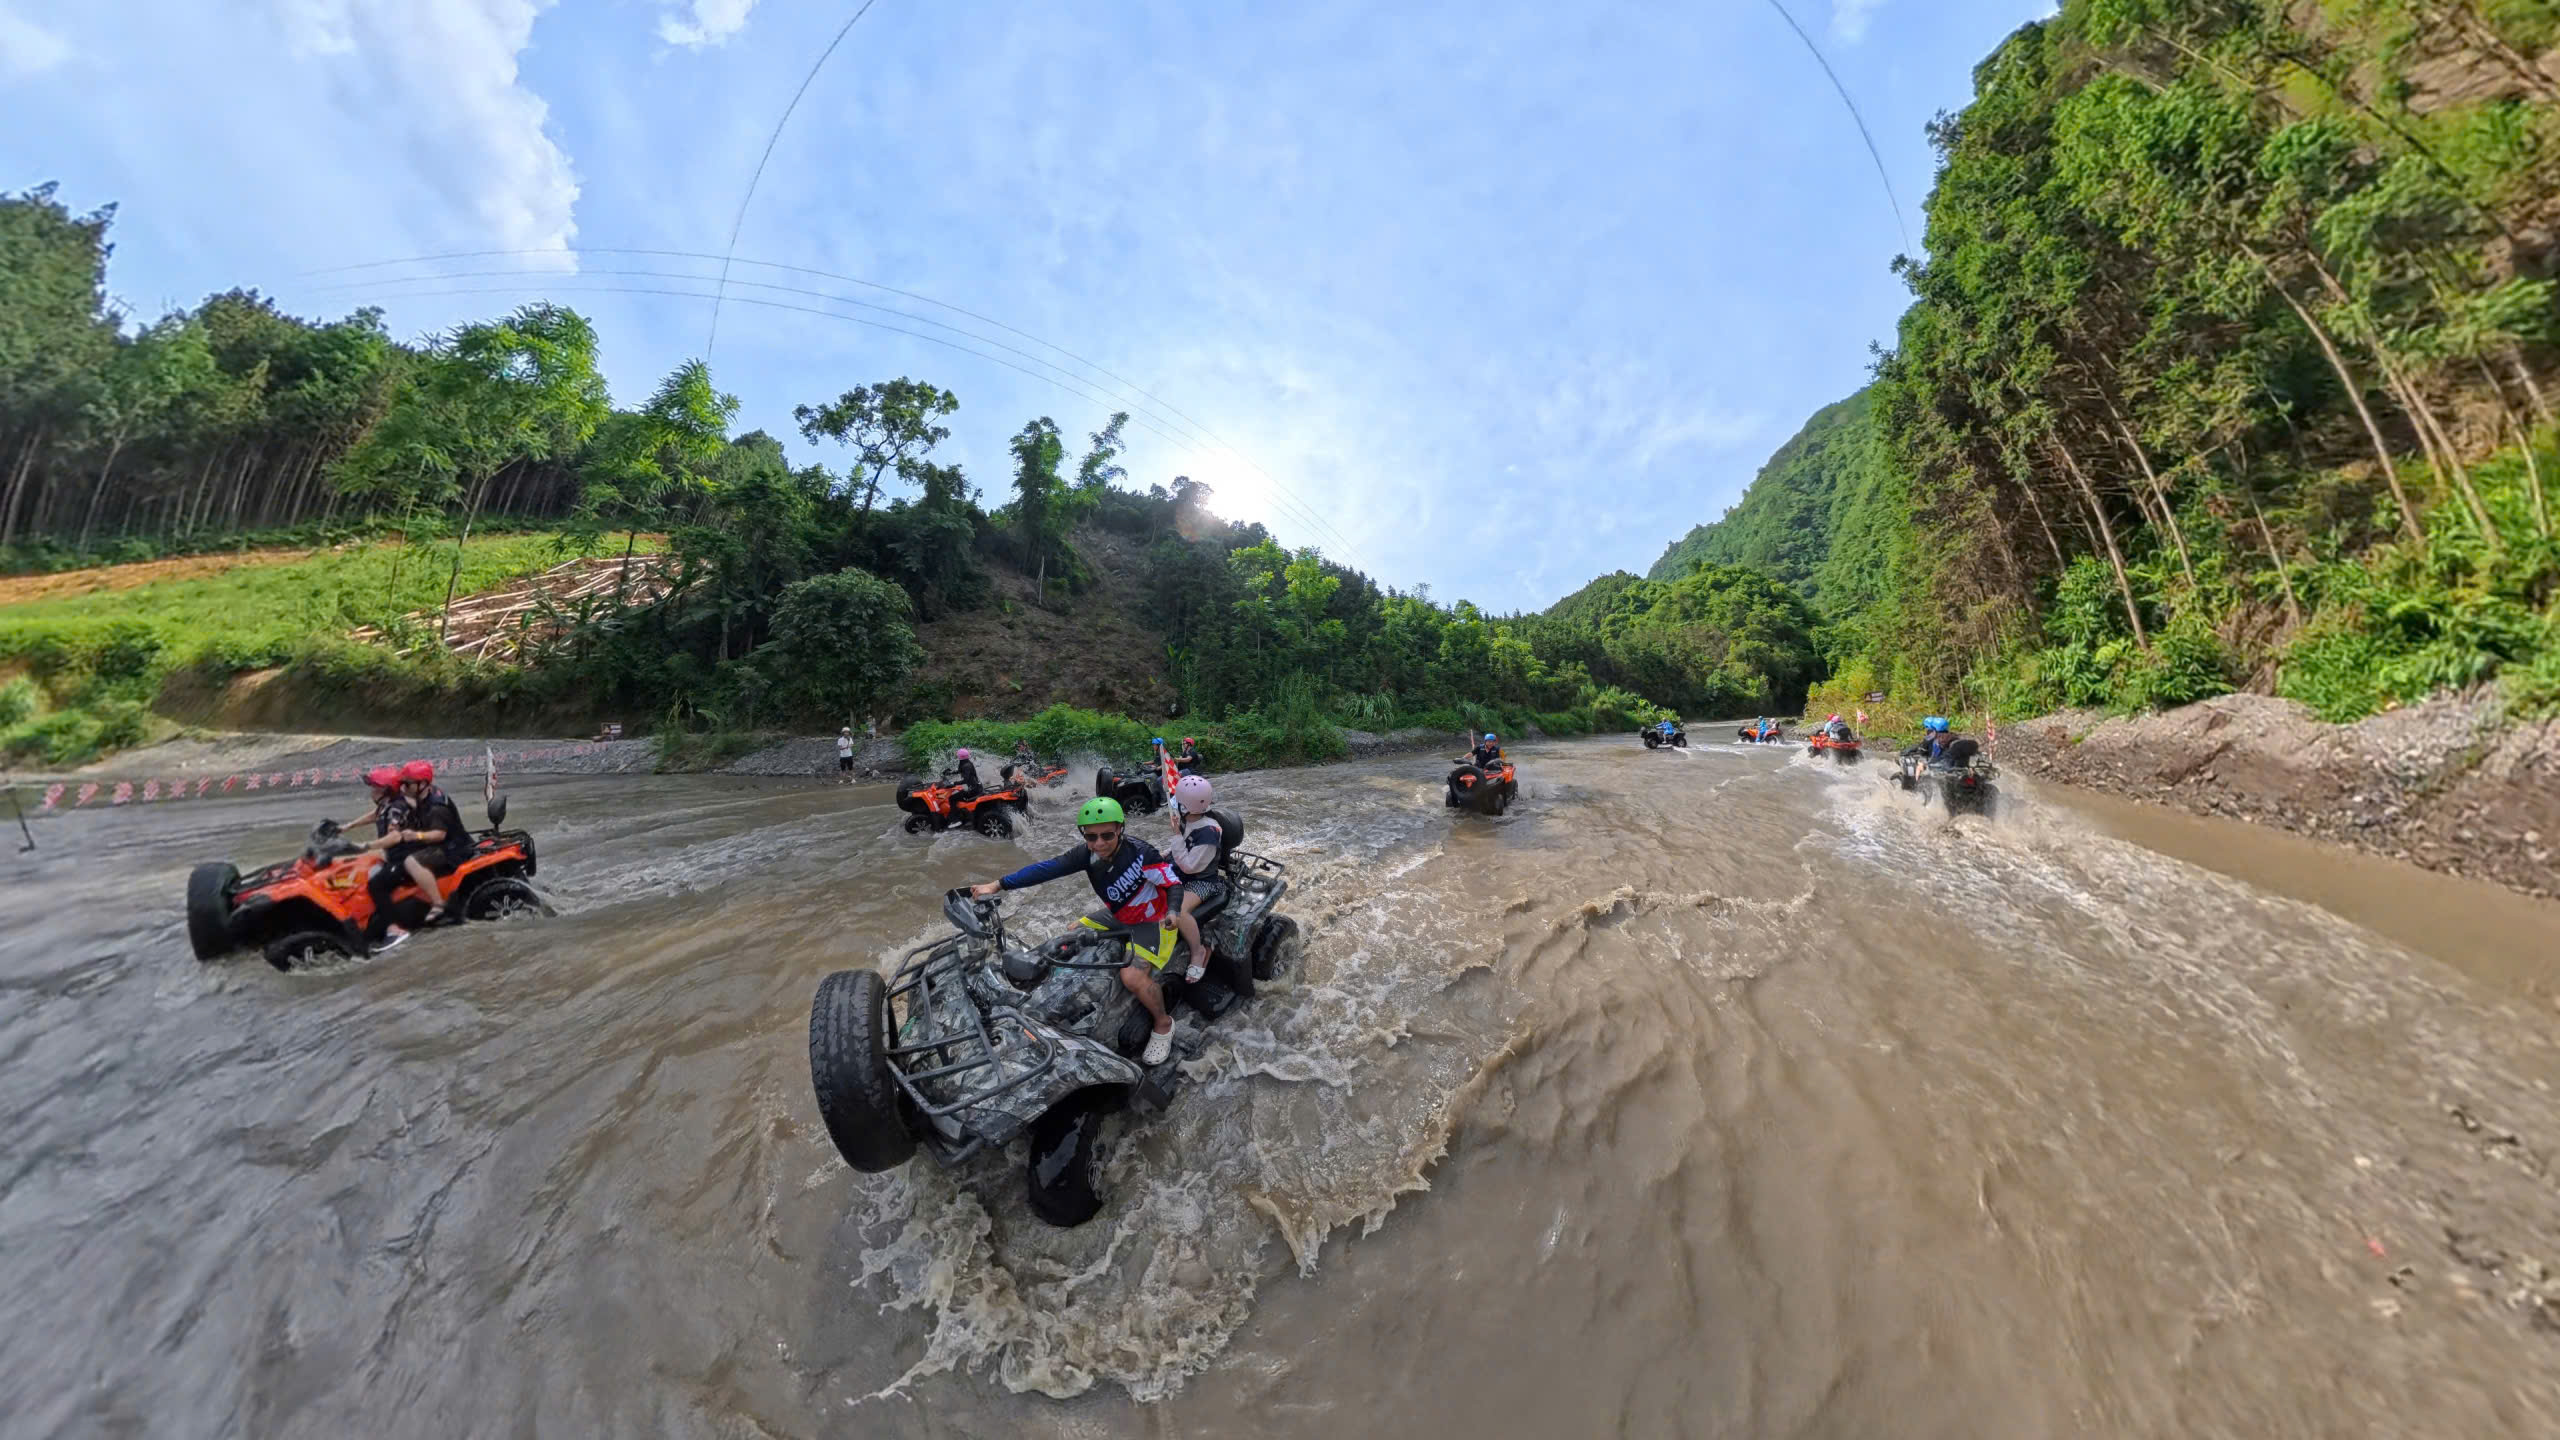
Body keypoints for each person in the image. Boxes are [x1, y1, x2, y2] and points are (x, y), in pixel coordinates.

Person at [968, 797, 1186, 1065]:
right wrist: (997, 884)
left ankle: (1163, 1023)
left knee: (1132, 977)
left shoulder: (1142, 854)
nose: (1099, 843)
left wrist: (1174, 911)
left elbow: (1173, 884)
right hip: (1120, 914)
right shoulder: (1087, 854)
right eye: (1091, 836)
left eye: (1107, 835)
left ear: (1121, 829)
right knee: (1072, 930)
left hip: (1152, 920)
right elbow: (1046, 869)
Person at [364, 761, 470, 951]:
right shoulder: (420, 796)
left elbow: (439, 835)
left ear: (422, 784)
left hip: (450, 849)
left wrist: (415, 835)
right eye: (402, 783)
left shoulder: (437, 806)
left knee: (411, 862)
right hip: (435, 844)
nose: (403, 787)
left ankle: (438, 906)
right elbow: (385, 810)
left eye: (407, 784)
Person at [1161, 773, 1226, 984]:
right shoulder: (1188, 820)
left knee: (1177, 911)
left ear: (1186, 807)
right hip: (1181, 872)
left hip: (1202, 881)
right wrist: (1161, 855)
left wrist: (1176, 836)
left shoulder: (1209, 832)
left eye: (1178, 803)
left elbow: (1189, 866)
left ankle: (1198, 951)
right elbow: (1179, 847)